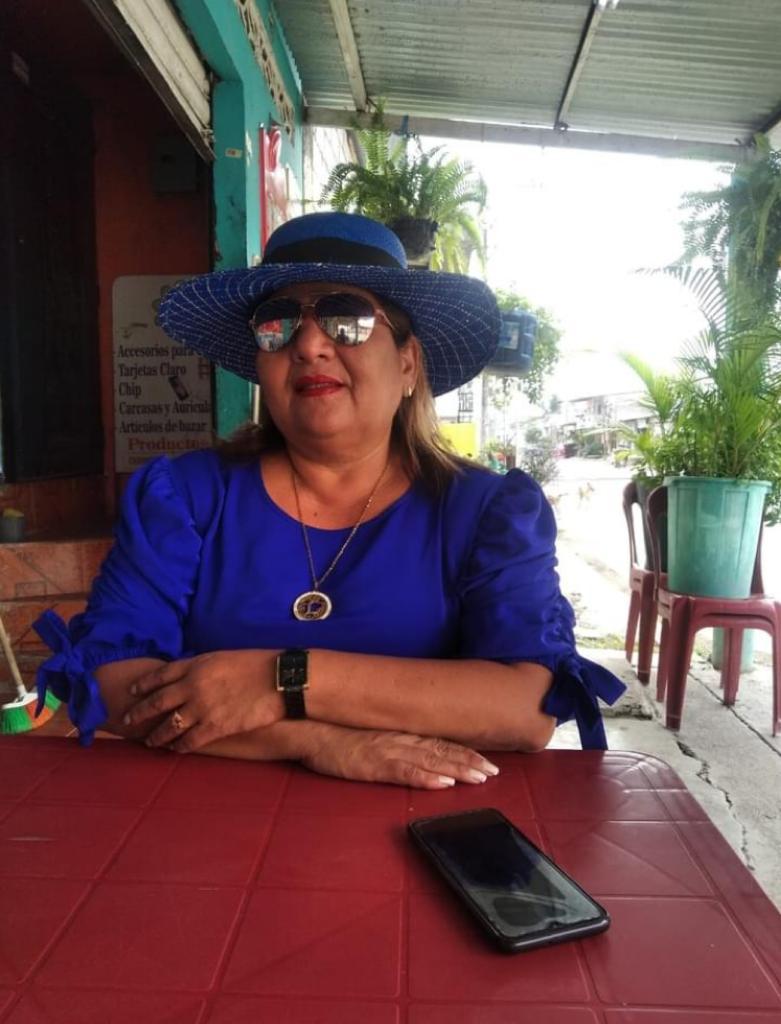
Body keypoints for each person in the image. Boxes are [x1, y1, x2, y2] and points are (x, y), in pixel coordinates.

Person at [34, 212, 624, 789]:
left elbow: (526, 708)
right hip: (208, 819)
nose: (310, 344)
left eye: (348, 319)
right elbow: (112, 681)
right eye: (278, 323)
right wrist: (316, 741)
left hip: (426, 818)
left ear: (407, 362)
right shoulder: (184, 499)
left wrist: (282, 680)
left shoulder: (485, 513)